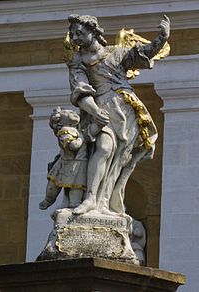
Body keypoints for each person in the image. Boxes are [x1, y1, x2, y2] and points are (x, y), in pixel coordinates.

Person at [66, 14, 170, 215]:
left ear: (93, 32)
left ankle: (104, 201)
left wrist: (162, 38)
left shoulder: (116, 53)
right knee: (104, 148)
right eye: (72, 34)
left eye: (80, 32)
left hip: (126, 110)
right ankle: (90, 199)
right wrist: (95, 111)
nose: (76, 37)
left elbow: (145, 52)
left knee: (121, 158)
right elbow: (80, 90)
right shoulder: (77, 61)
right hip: (100, 110)